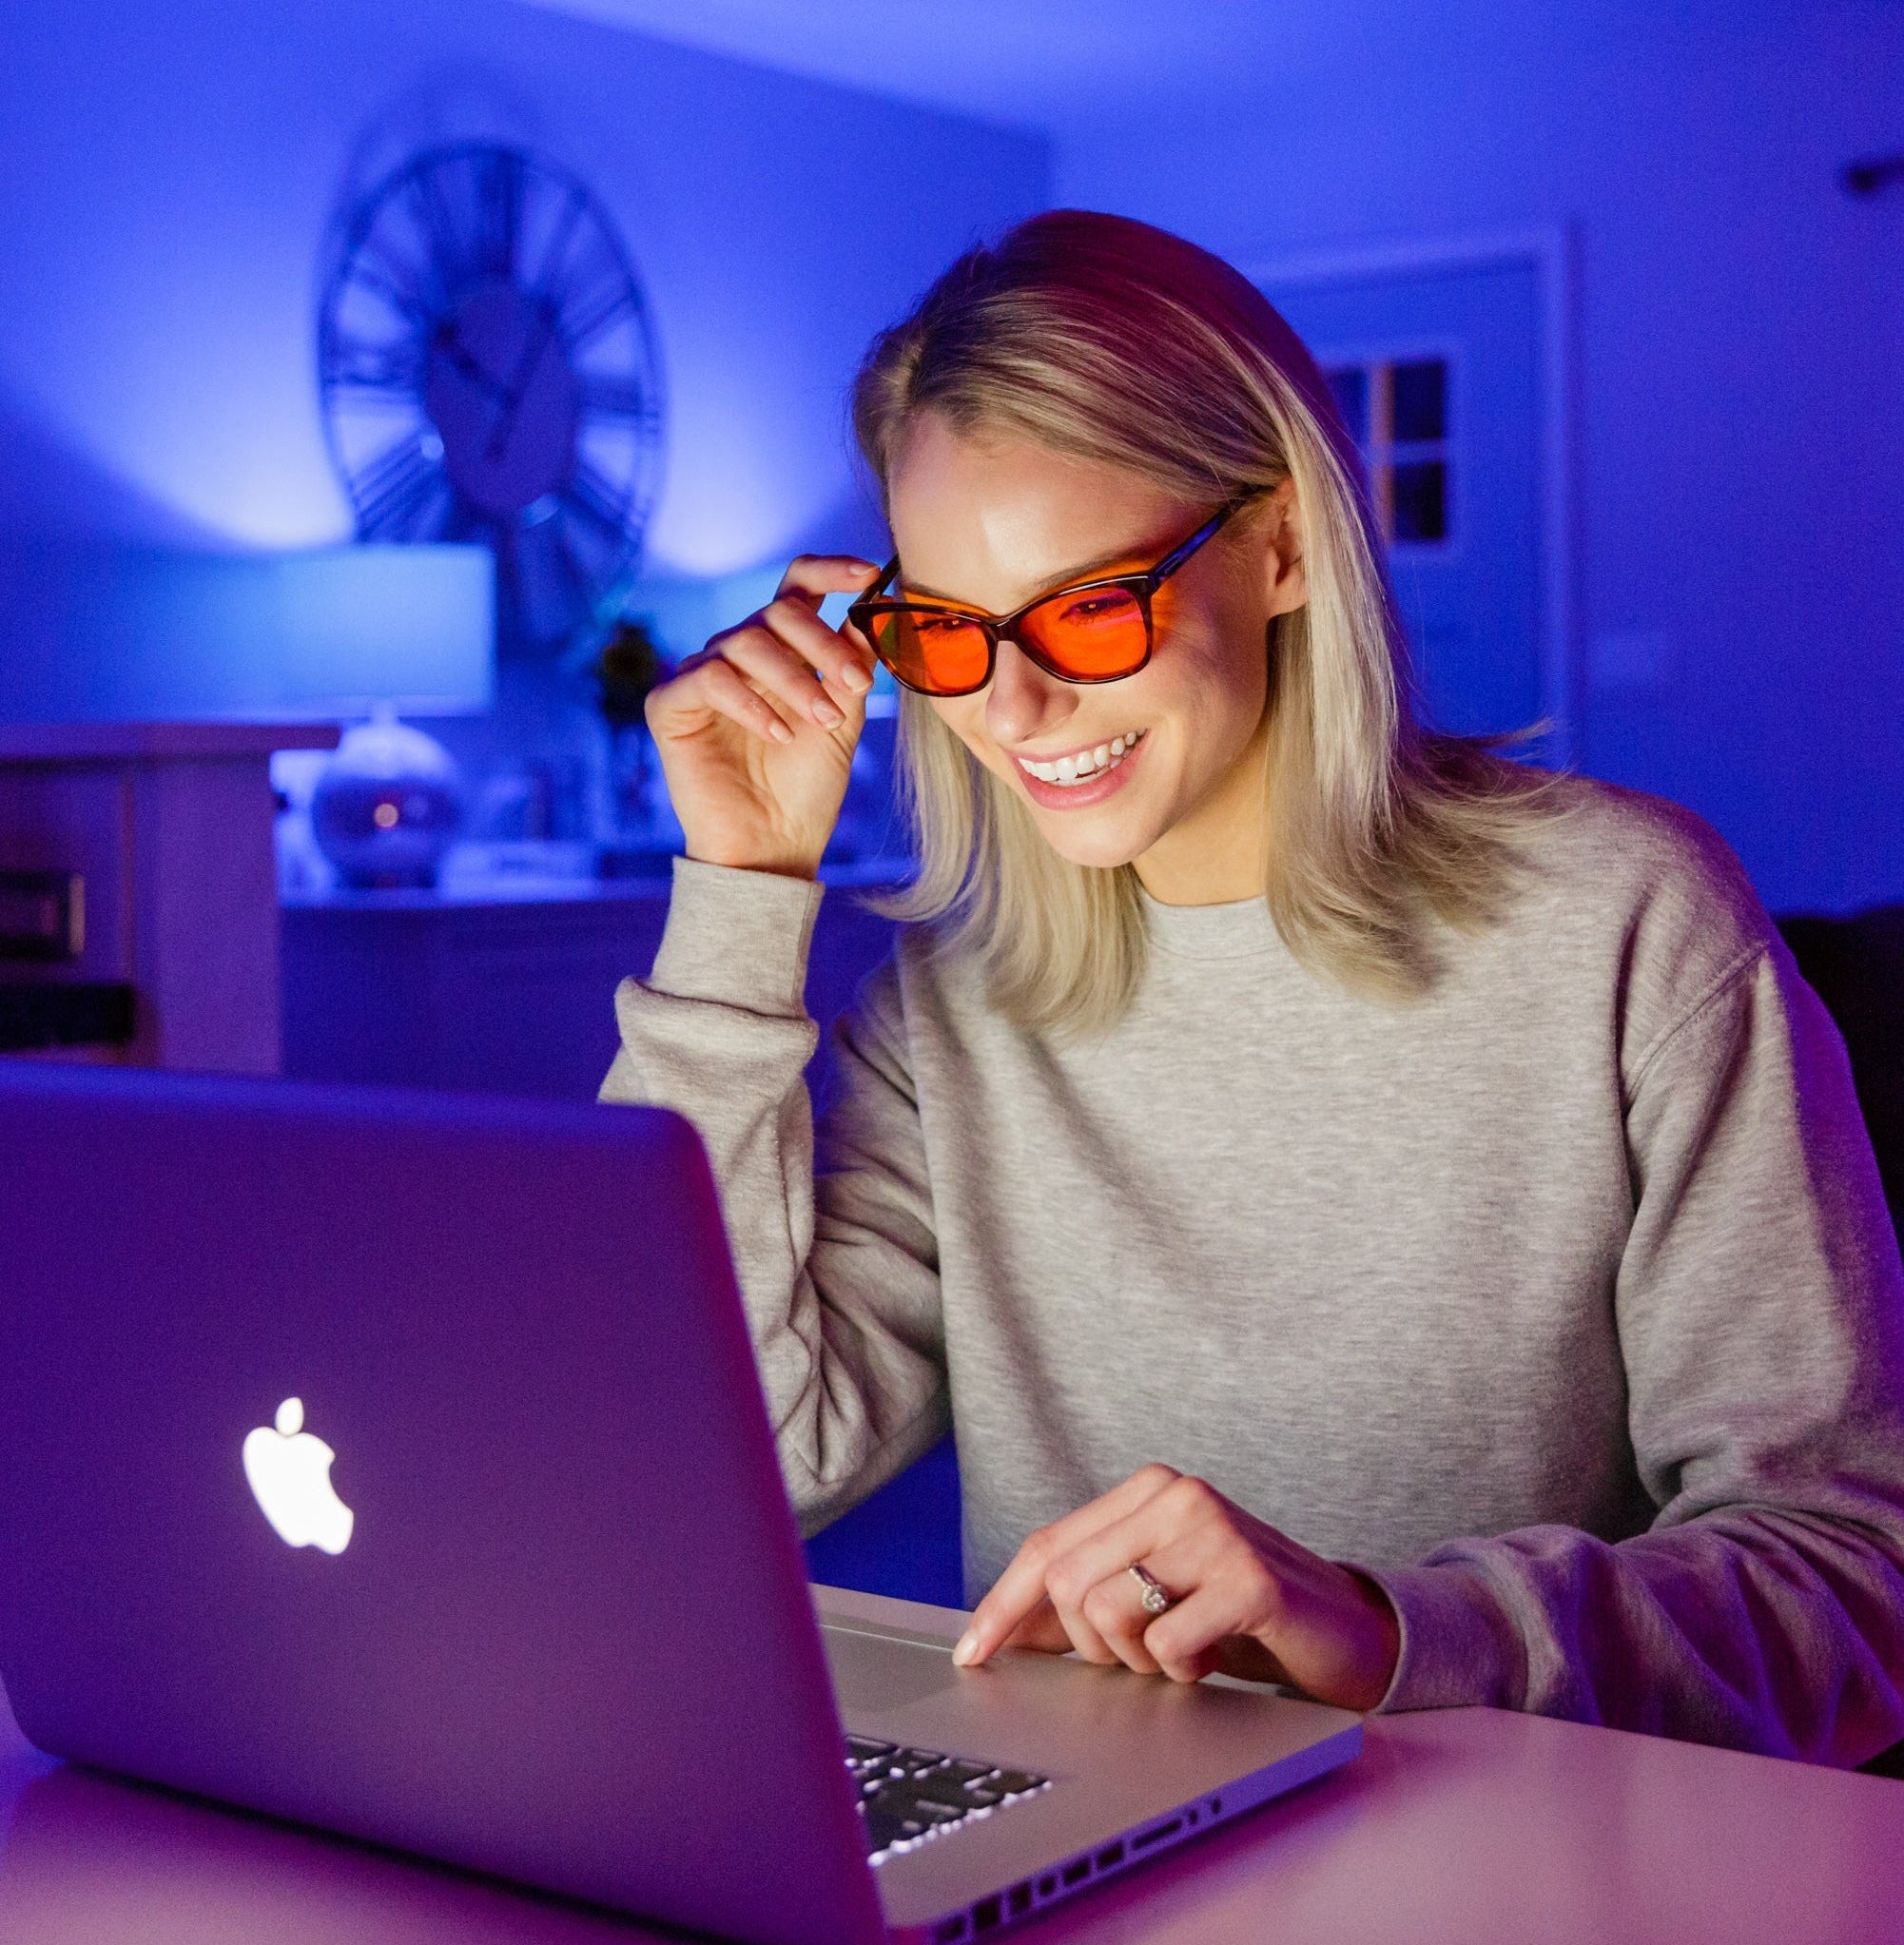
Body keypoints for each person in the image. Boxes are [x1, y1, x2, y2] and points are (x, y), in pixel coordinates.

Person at [601, 209, 1904, 1763]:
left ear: (1280, 545)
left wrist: (1385, 1631)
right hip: (1093, 1852)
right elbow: (713, 1455)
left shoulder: (1626, 924)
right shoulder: (949, 1014)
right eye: (946, 635)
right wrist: (739, 898)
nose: (1013, 706)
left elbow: (1850, 1571)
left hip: (1523, 1850)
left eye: (1089, 607)